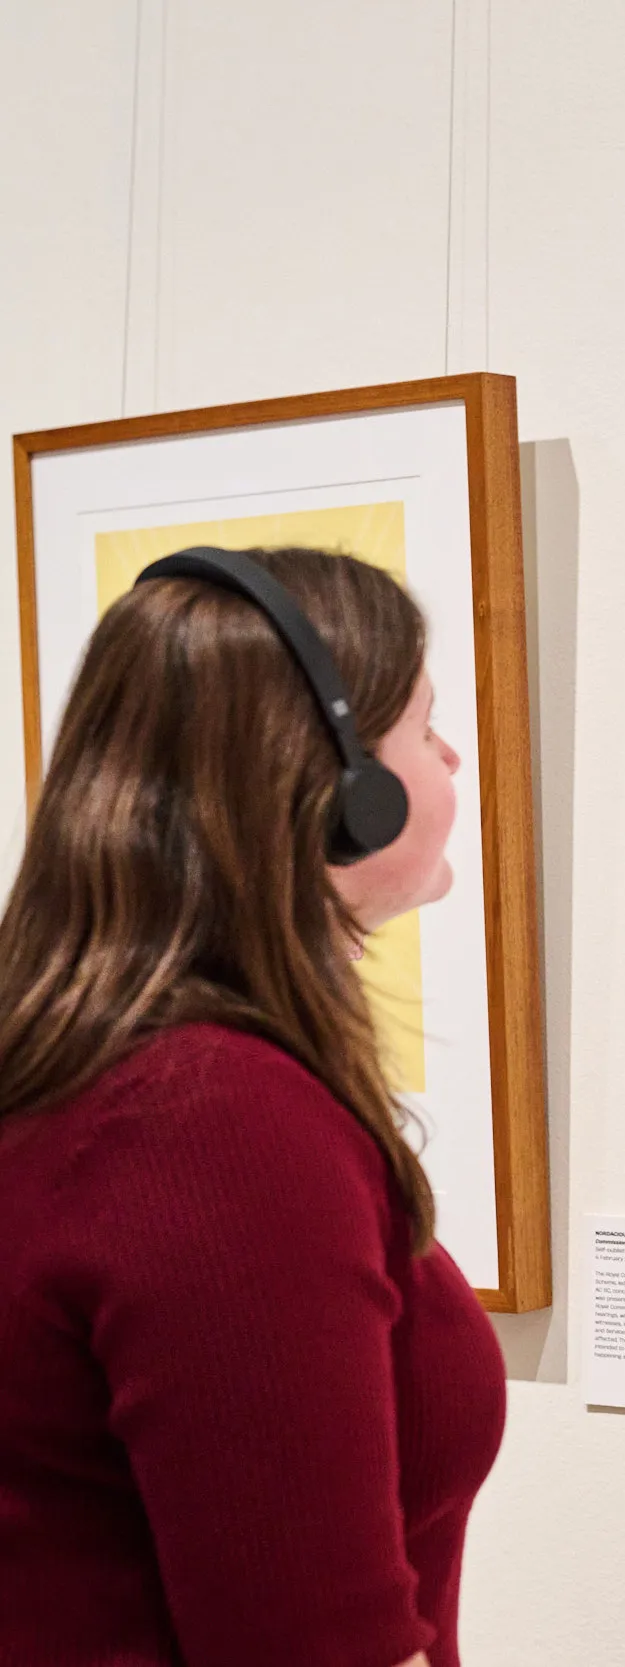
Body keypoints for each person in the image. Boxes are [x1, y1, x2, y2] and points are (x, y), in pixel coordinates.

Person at [0, 548, 505, 1666]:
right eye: (423, 727)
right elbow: (315, 1644)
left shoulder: (96, 1067)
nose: (452, 755)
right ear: (339, 794)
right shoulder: (213, 1122)